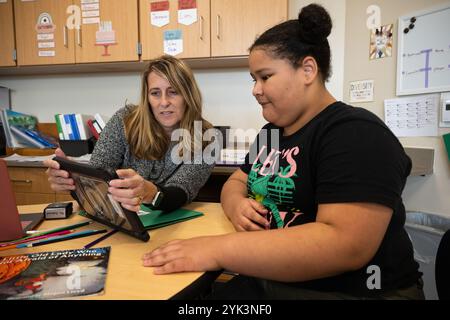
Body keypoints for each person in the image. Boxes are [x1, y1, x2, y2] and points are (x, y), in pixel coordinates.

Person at [141, 4, 424, 300]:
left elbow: (344, 245)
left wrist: (215, 249)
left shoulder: (355, 132)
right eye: (254, 79)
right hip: (277, 281)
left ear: (307, 70)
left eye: (265, 76)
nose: (255, 90)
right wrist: (236, 203)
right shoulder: (272, 133)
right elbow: (236, 181)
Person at [44, 55, 215, 213]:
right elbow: (97, 178)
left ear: (188, 95)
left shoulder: (207, 136)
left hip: (172, 222)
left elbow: (180, 191)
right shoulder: (125, 119)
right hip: (120, 216)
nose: (164, 102)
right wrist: (73, 182)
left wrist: (151, 193)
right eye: (155, 93)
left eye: (173, 92)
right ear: (147, 97)